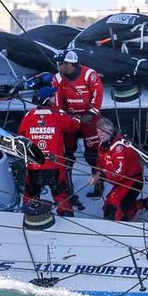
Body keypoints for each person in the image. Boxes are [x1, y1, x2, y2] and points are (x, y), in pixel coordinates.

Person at [51, 50, 104, 200]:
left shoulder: (90, 75)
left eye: (60, 64)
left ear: (69, 64)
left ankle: (98, 184)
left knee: (93, 154)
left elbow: (97, 96)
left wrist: (91, 114)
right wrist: (64, 117)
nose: (58, 66)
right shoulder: (57, 78)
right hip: (70, 120)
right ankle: (68, 187)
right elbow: (57, 102)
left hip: (90, 120)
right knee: (67, 155)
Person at [17, 104, 74, 217]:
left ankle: (28, 215)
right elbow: (74, 126)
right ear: (48, 100)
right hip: (54, 166)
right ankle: (67, 216)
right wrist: (73, 116)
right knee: (60, 194)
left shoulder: (29, 115)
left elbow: (20, 135)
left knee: (31, 194)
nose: (55, 98)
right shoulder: (57, 115)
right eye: (52, 96)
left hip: (34, 166)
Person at [90, 118, 148, 221]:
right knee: (108, 207)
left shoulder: (119, 147)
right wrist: (96, 173)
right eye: (98, 131)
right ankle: (144, 203)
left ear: (111, 130)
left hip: (132, 181)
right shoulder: (102, 144)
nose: (100, 134)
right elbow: (100, 163)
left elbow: (119, 174)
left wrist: (101, 176)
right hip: (119, 182)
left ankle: (124, 225)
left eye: (103, 131)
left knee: (114, 211)